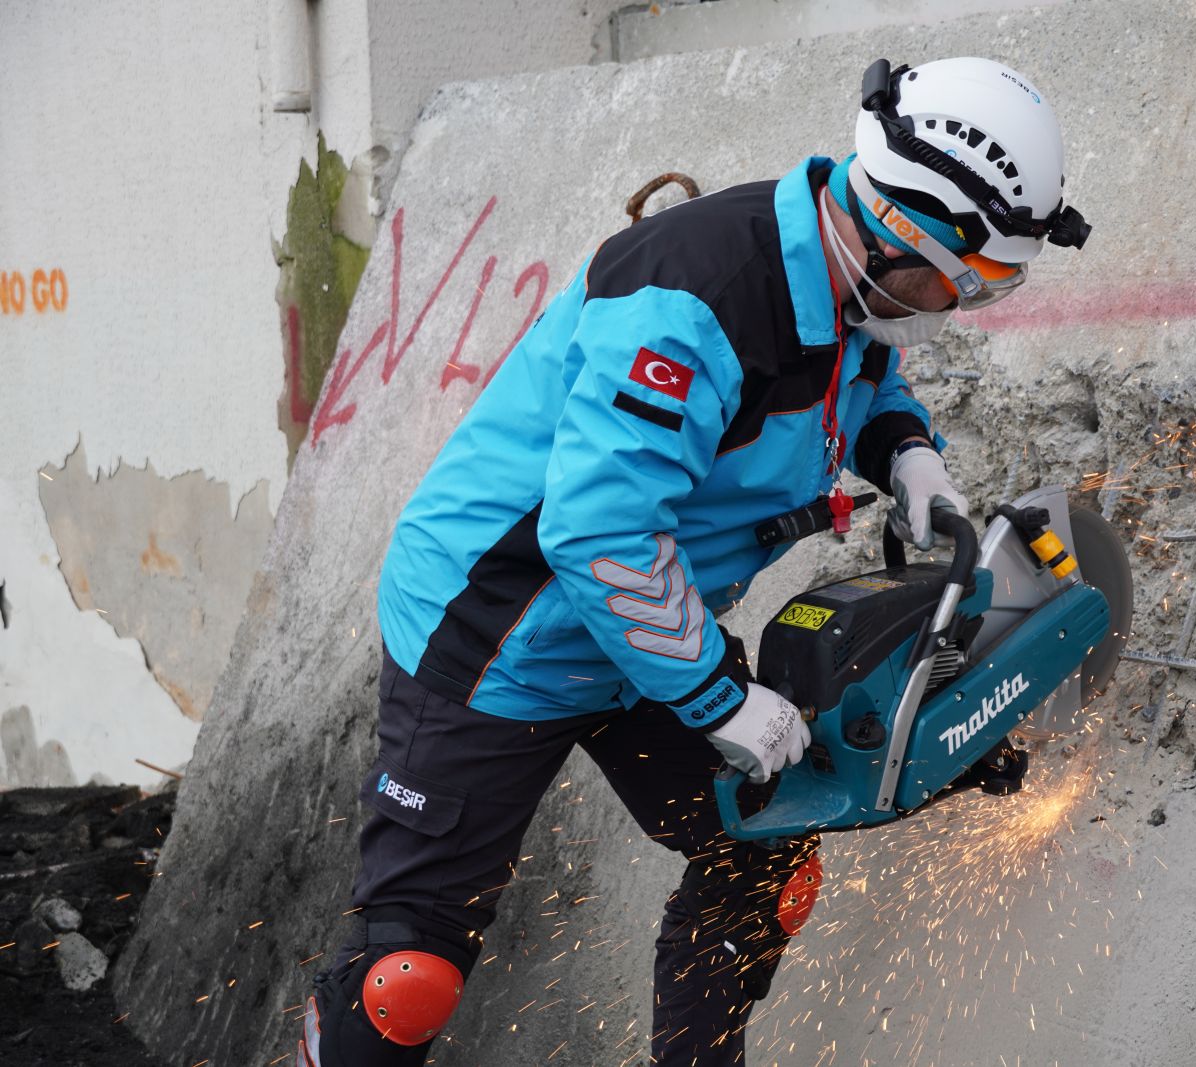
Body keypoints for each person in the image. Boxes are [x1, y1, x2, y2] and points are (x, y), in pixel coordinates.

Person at [295, 55, 1089, 1067]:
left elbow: (856, 375)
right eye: (956, 281)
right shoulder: (696, 297)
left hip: (643, 630)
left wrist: (906, 451)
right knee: (405, 982)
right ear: (896, 222)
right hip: (500, 629)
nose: (951, 306)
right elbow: (595, 533)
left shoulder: (841, 276)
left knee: (764, 855)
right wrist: (718, 699)